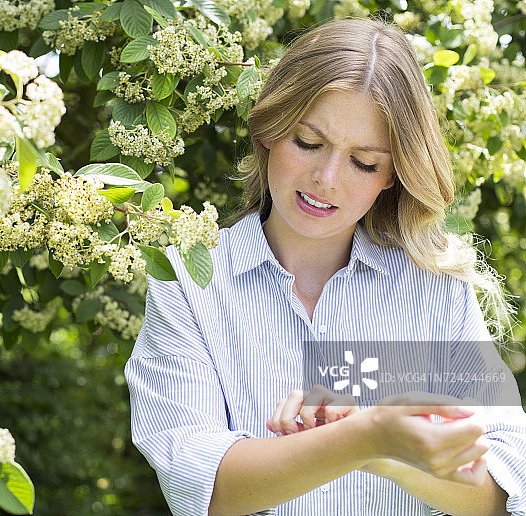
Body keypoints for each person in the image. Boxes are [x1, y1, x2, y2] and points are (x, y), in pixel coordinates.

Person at [125, 18, 526, 516]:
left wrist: (385, 450)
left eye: (364, 162)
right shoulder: (189, 281)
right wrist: (362, 438)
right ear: (270, 128)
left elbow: (502, 493)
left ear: (393, 177)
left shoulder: (437, 289)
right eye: (309, 142)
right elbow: (205, 488)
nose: (326, 179)